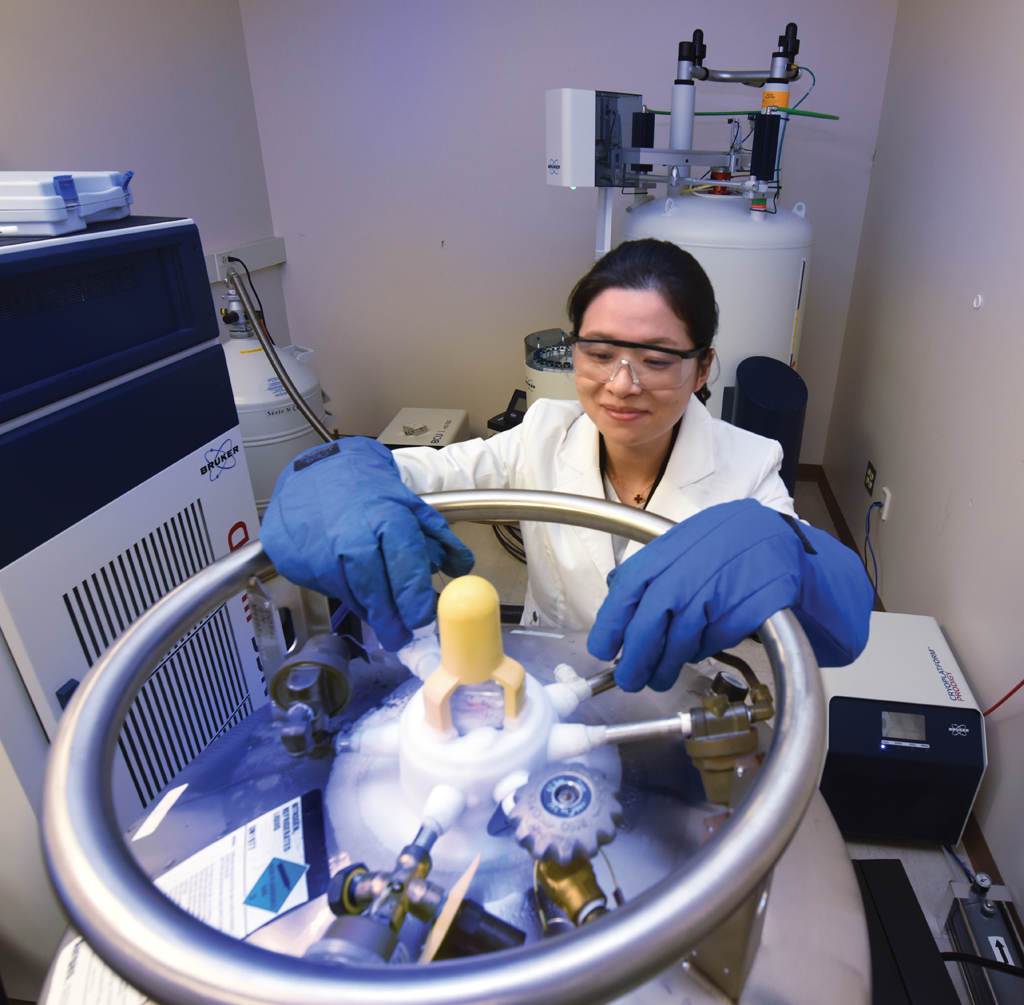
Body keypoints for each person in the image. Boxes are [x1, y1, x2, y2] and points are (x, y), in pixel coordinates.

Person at [261, 240, 872, 691]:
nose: (621, 385)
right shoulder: (545, 433)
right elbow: (421, 474)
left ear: (704, 368)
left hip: (680, 700)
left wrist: (790, 554)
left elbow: (843, 625)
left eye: (657, 360)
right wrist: (339, 470)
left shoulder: (749, 464)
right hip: (550, 687)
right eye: (599, 353)